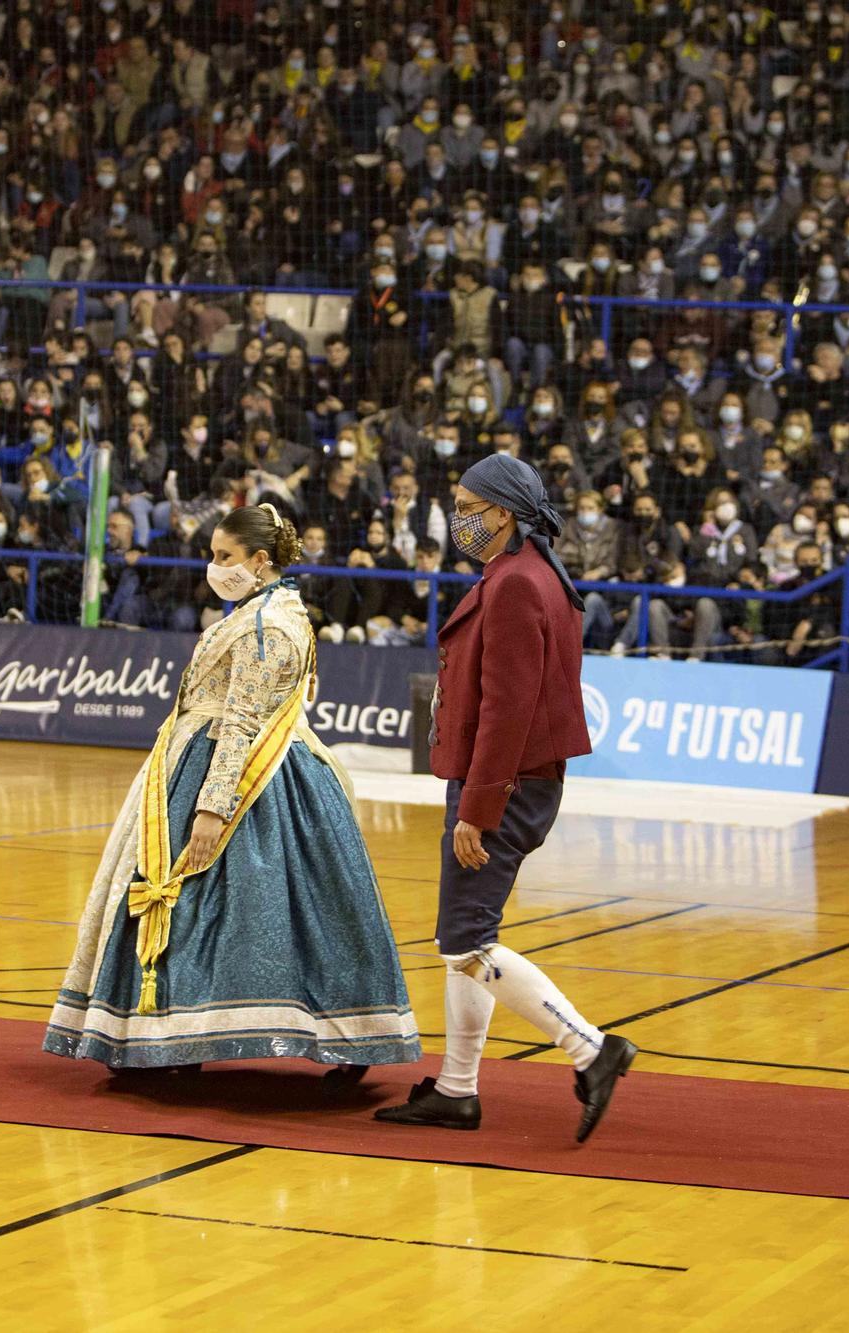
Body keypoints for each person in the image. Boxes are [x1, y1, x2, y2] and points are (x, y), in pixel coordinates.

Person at [45, 503, 420, 1074]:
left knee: (204, 899)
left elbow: (242, 721)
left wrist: (211, 808)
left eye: (225, 557)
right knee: (310, 907)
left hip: (237, 772)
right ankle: (338, 1033)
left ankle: (176, 1033)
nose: (214, 567)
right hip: (269, 765)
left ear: (260, 560)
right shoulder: (282, 612)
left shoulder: (264, 626)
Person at [374, 453, 635, 1143]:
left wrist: (478, 806)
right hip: (514, 779)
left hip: (505, 783)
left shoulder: (518, 583)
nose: (457, 516)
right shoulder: (532, 573)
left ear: (501, 511)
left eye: (466, 503)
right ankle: (457, 1089)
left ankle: (592, 1048)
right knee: (464, 937)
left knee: (464, 941)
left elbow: (508, 708)